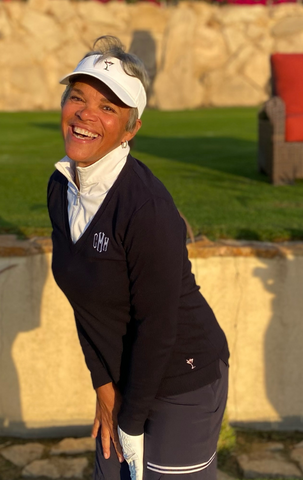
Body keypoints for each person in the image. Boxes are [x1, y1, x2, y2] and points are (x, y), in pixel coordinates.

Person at [47, 36, 229, 480]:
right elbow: (83, 302)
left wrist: (130, 423)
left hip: (181, 376)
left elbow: (159, 327)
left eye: (109, 108)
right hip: (125, 378)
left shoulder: (145, 207)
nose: (87, 114)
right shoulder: (61, 187)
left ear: (131, 128)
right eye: (78, 97)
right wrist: (104, 385)